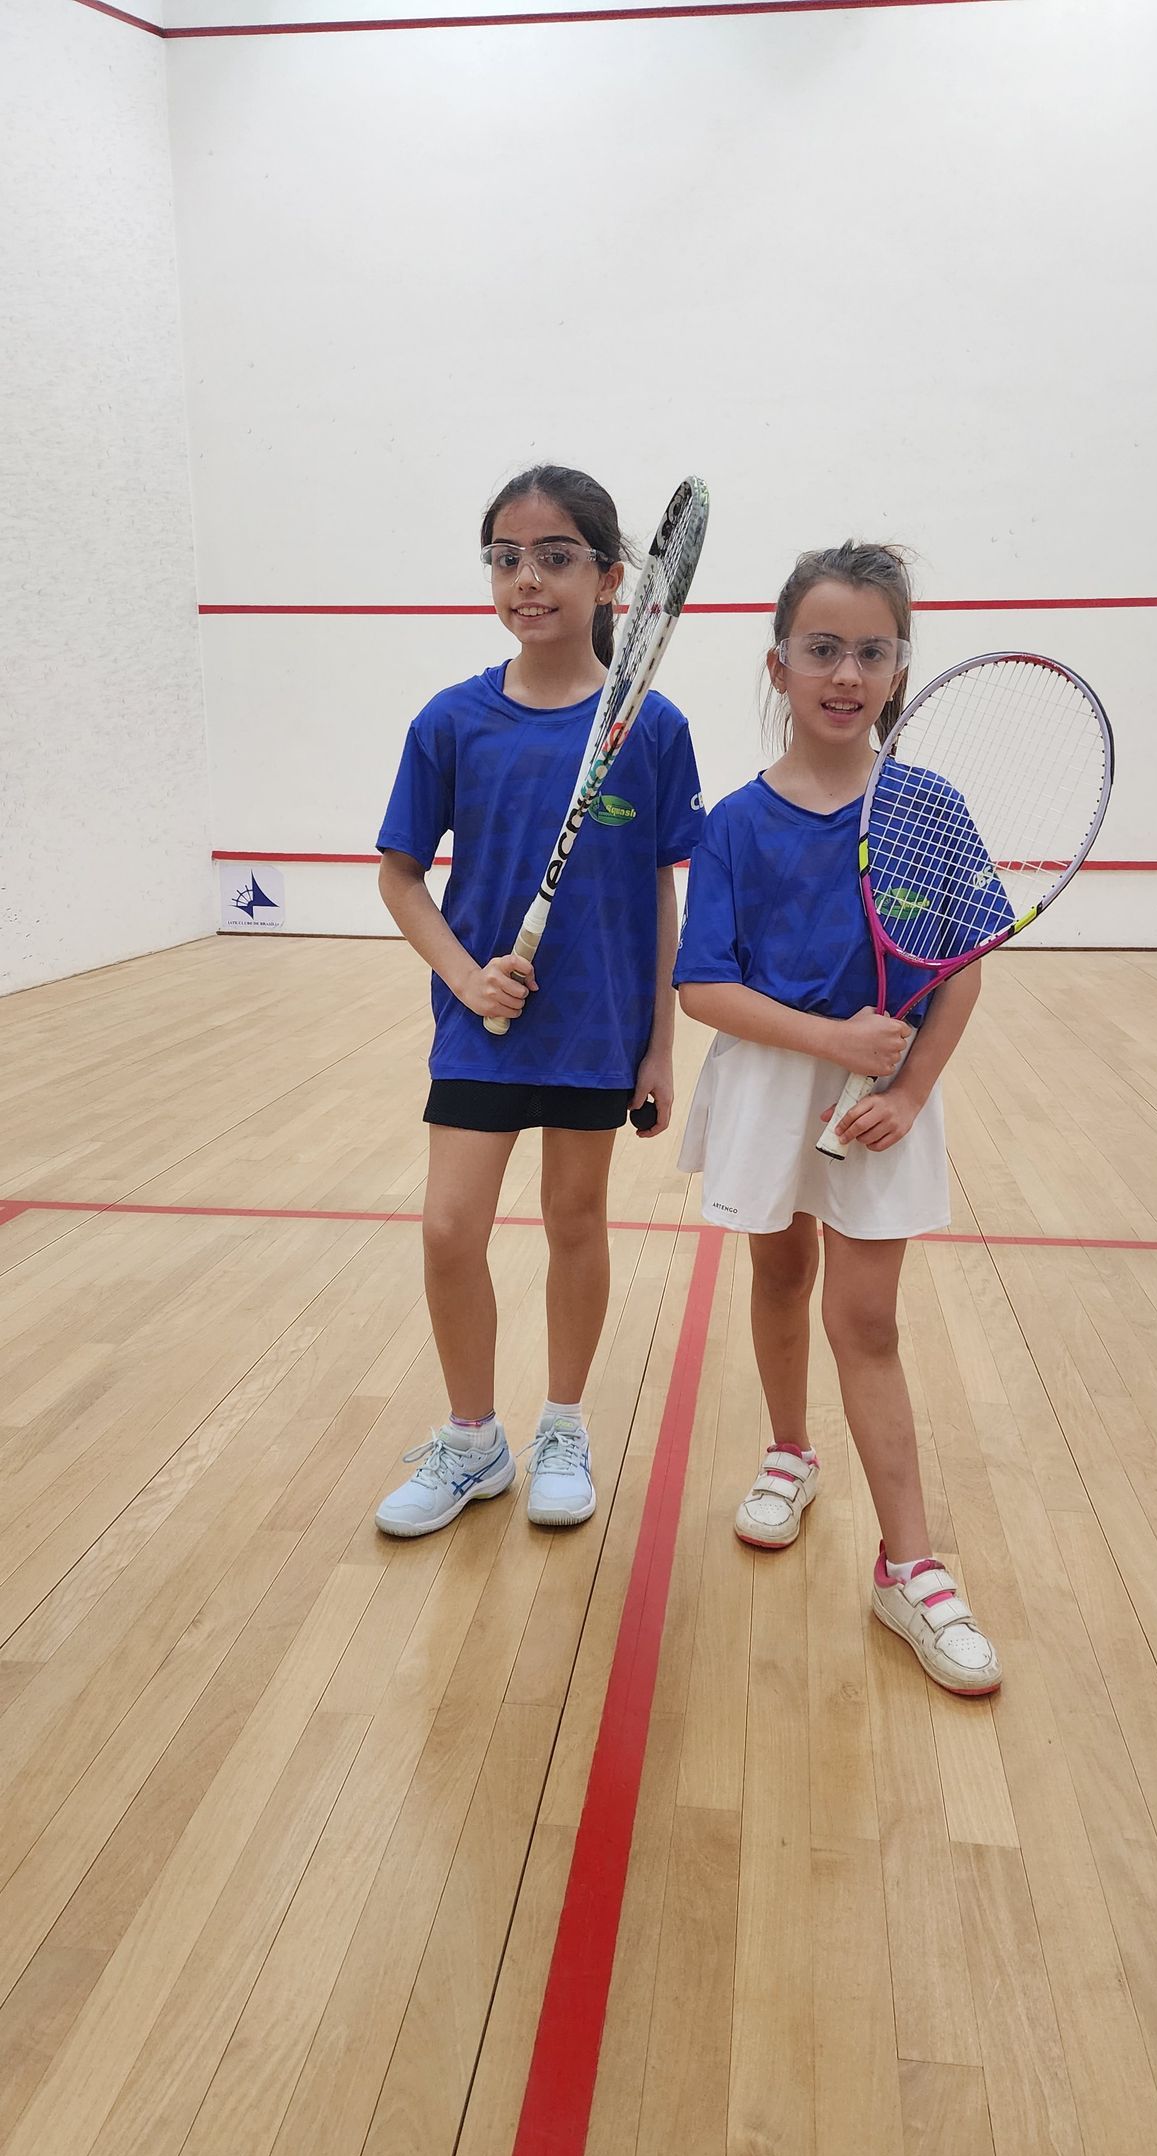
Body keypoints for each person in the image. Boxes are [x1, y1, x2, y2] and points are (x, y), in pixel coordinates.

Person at [675, 542, 1001, 1695]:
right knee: (777, 1278)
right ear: (777, 663)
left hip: (881, 1100)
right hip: (775, 1077)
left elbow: (962, 966)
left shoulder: (927, 807)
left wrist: (906, 1088)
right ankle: (785, 1451)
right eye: (821, 647)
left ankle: (906, 1564)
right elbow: (701, 987)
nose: (845, 671)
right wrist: (831, 1044)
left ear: (899, 667)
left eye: (871, 649)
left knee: (865, 1321)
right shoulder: (732, 821)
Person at [374, 465, 703, 1539]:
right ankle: (473, 1437)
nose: (527, 578)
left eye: (555, 556)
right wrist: (463, 972)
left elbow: (659, 888)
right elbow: (399, 875)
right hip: (482, 1022)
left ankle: (562, 1421)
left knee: (574, 1220)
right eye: (506, 557)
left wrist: (658, 1047)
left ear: (614, 578)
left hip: (595, 1025)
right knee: (446, 1229)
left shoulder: (649, 730)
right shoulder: (450, 721)